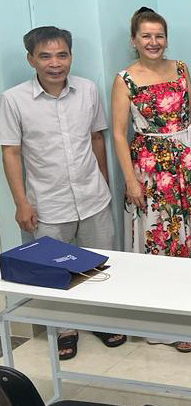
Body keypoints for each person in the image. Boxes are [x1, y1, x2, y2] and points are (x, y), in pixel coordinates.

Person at [0, 26, 127, 360]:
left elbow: (97, 138)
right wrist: (21, 203)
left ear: (71, 56)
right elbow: (11, 152)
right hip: (47, 203)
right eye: (45, 56)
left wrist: (104, 182)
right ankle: (65, 330)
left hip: (92, 197)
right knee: (53, 270)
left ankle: (102, 322)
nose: (55, 63)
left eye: (62, 55)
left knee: (100, 264)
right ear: (31, 59)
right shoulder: (13, 99)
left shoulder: (87, 90)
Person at [111, 7, 191, 353]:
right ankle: (160, 323)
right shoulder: (125, 79)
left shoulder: (181, 68)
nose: (153, 42)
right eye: (146, 36)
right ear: (134, 40)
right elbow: (119, 134)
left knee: (189, 234)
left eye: (159, 36)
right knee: (159, 238)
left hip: (186, 164)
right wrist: (131, 181)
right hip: (150, 170)